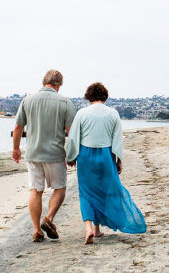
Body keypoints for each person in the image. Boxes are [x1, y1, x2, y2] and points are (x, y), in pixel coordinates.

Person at [65, 82, 146, 244]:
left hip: (86, 156)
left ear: (88, 96)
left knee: (86, 193)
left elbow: (73, 138)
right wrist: (119, 160)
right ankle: (97, 230)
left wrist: (71, 156)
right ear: (105, 96)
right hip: (106, 155)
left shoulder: (82, 113)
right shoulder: (113, 114)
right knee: (106, 191)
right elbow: (117, 140)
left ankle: (89, 227)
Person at [12, 69, 76, 242]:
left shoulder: (28, 100)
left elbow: (18, 127)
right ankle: (48, 218)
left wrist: (16, 148)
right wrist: (72, 155)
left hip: (33, 154)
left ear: (44, 82)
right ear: (58, 85)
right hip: (55, 154)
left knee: (36, 191)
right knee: (60, 188)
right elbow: (71, 132)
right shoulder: (65, 103)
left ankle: (36, 230)